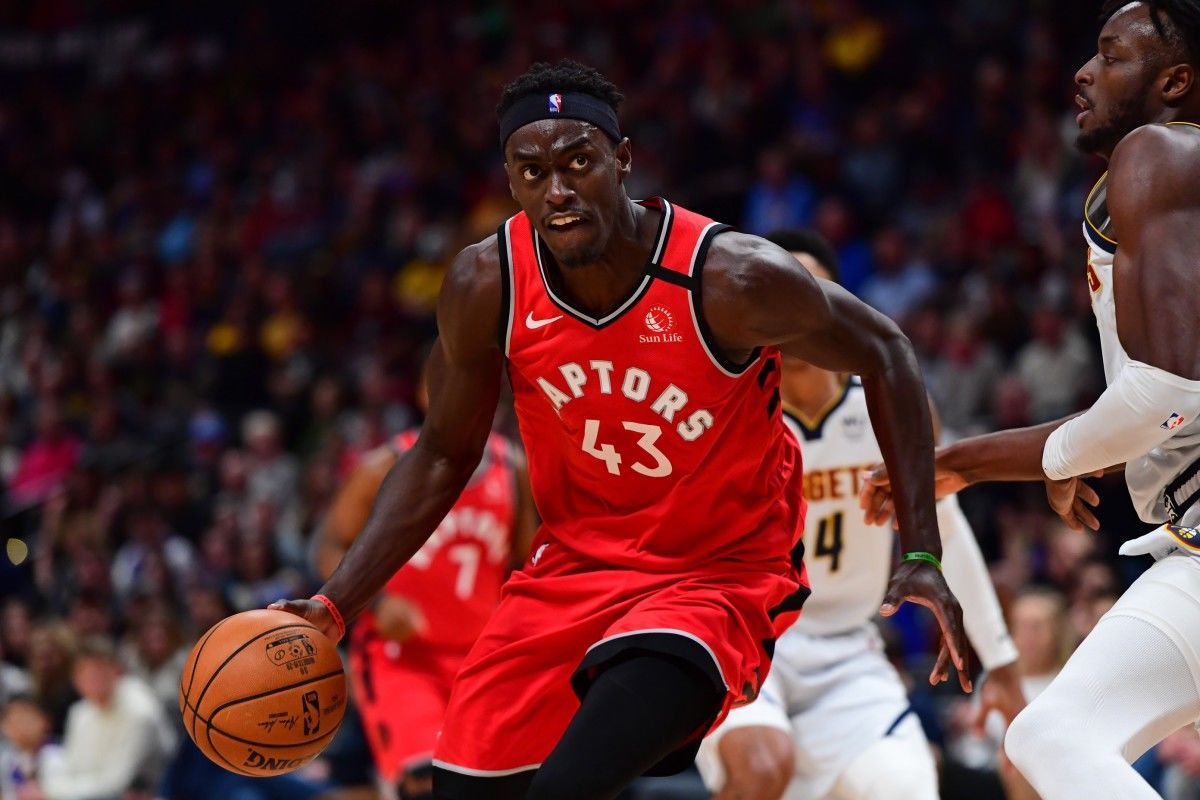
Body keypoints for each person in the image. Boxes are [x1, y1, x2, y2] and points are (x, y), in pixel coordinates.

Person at [273, 59, 969, 800]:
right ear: (511, 180)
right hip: (573, 567)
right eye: (533, 171)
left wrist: (920, 546)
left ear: (623, 159)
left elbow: (887, 352)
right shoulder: (487, 283)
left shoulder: (728, 278)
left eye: (579, 162)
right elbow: (444, 452)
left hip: (718, 573)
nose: (557, 189)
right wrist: (334, 603)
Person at [860, 3, 1200, 796]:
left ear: (1175, 81)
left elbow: (1167, 394)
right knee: (1052, 734)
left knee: (1055, 736)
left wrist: (983, 462)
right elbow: (1162, 407)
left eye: (1112, 56)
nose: (1084, 73)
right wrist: (1043, 453)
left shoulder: (1156, 153)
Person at [695, 230, 1024, 800]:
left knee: (907, 787)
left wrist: (1000, 659)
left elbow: (945, 528)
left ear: (832, 306)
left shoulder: (891, 404)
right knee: (761, 767)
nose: (788, 315)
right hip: (741, 634)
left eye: (803, 292)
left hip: (848, 647)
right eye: (772, 296)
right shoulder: (718, 409)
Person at [313, 378, 535, 800]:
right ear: (423, 394)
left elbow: (526, 562)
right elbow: (330, 546)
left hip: (480, 659)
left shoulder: (513, 468)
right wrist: (377, 604)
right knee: (425, 785)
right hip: (402, 656)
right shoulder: (383, 466)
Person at [34, 636, 174, 800]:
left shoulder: (140, 710)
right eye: (85, 672)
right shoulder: (80, 712)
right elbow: (73, 769)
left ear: (117, 671)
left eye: (99, 670)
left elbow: (116, 784)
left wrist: (49, 792)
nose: (93, 679)